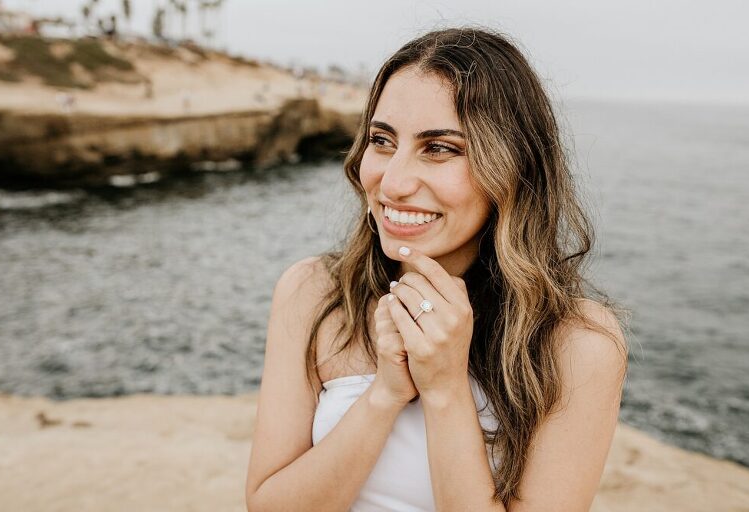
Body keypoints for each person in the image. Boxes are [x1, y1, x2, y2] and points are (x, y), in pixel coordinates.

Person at [245, 26, 628, 511]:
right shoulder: (313, 292)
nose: (394, 182)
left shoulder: (579, 344)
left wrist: (446, 389)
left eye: (440, 148)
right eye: (382, 141)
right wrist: (385, 394)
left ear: (512, 167)